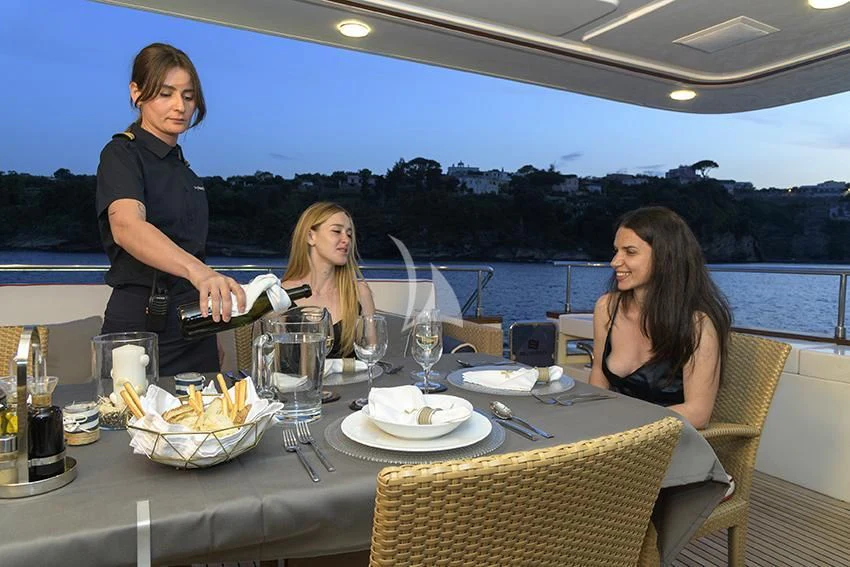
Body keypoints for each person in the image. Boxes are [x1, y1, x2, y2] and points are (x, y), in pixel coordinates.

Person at [96, 43, 246, 375]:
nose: (180, 106)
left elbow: (194, 251)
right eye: (166, 94)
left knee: (205, 421)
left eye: (188, 96)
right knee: (129, 422)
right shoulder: (122, 155)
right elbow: (127, 227)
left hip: (194, 323)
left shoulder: (187, 172)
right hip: (140, 323)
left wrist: (210, 331)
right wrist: (201, 273)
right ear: (137, 92)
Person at [588, 206, 731, 429]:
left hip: (668, 443)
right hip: (615, 438)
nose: (615, 261)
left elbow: (698, 413)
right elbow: (599, 377)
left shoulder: (697, 325)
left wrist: (624, 426)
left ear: (665, 258)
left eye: (630, 252)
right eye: (616, 251)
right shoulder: (607, 307)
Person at [281, 202, 375, 357]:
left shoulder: (359, 293)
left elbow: (372, 356)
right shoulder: (282, 295)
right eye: (337, 231)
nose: (346, 240)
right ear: (310, 237)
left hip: (353, 381)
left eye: (349, 234)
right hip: (294, 381)